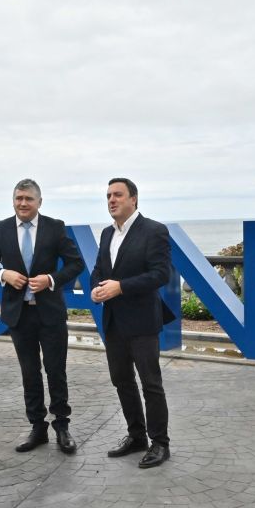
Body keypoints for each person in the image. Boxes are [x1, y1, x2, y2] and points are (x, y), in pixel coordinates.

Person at [0, 179, 85, 453]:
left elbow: (76, 263)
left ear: (39, 202)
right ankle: (37, 428)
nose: (22, 203)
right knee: (29, 373)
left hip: (49, 313)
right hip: (19, 315)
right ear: (13, 201)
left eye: (28, 199)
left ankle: (62, 426)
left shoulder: (55, 227)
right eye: (18, 198)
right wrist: (4, 274)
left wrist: (51, 279)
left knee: (56, 371)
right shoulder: (1, 229)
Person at [90, 177, 172, 468]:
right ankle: (136, 436)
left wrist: (121, 287)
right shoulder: (105, 234)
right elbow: (99, 269)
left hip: (142, 322)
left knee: (151, 384)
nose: (112, 200)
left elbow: (161, 274)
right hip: (113, 321)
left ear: (133, 199)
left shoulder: (154, 231)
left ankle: (160, 443)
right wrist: (96, 289)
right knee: (122, 381)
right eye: (108, 195)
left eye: (118, 195)